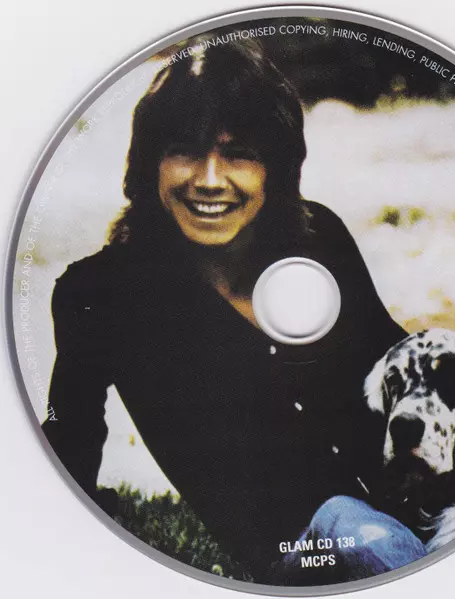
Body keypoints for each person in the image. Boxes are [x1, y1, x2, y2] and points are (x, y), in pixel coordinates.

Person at [42, 37, 426, 585]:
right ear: (149, 165)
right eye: (184, 150)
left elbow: (396, 365)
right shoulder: (100, 293)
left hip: (407, 501)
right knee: (361, 533)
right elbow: (68, 446)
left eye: (239, 153)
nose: (209, 179)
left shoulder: (318, 239)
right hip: (303, 546)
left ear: (275, 169)